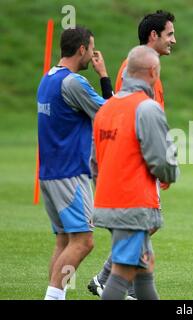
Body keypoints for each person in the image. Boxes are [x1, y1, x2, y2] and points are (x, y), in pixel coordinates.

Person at [87, 9, 176, 299]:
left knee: (144, 267)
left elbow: (95, 159)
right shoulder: (140, 90)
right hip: (133, 193)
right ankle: (103, 280)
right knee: (125, 270)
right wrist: (166, 171)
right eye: (170, 34)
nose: (174, 40)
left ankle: (108, 280)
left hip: (114, 195)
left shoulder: (108, 108)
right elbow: (149, 143)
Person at [37, 26, 113, 300]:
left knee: (65, 241)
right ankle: (54, 297)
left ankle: (57, 295)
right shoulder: (74, 83)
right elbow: (110, 113)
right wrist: (104, 76)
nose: (92, 54)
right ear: (82, 49)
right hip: (70, 174)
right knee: (84, 241)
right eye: (91, 49)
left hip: (48, 174)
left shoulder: (48, 78)